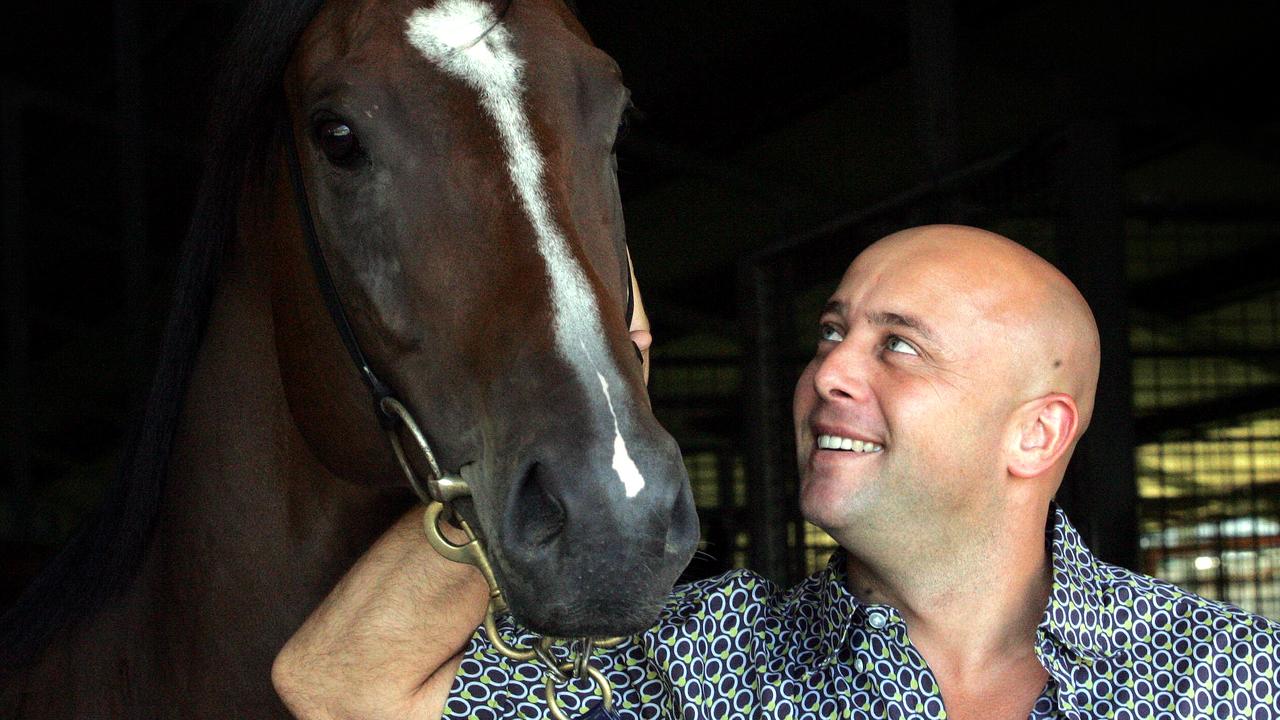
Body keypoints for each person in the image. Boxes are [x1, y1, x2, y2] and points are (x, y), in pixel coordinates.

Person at [272, 225, 1280, 720]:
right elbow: (338, 685)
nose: (826, 372)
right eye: (832, 333)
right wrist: (563, 404)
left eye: (896, 347)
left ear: (1033, 434)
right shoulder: (697, 664)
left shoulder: (1223, 682)